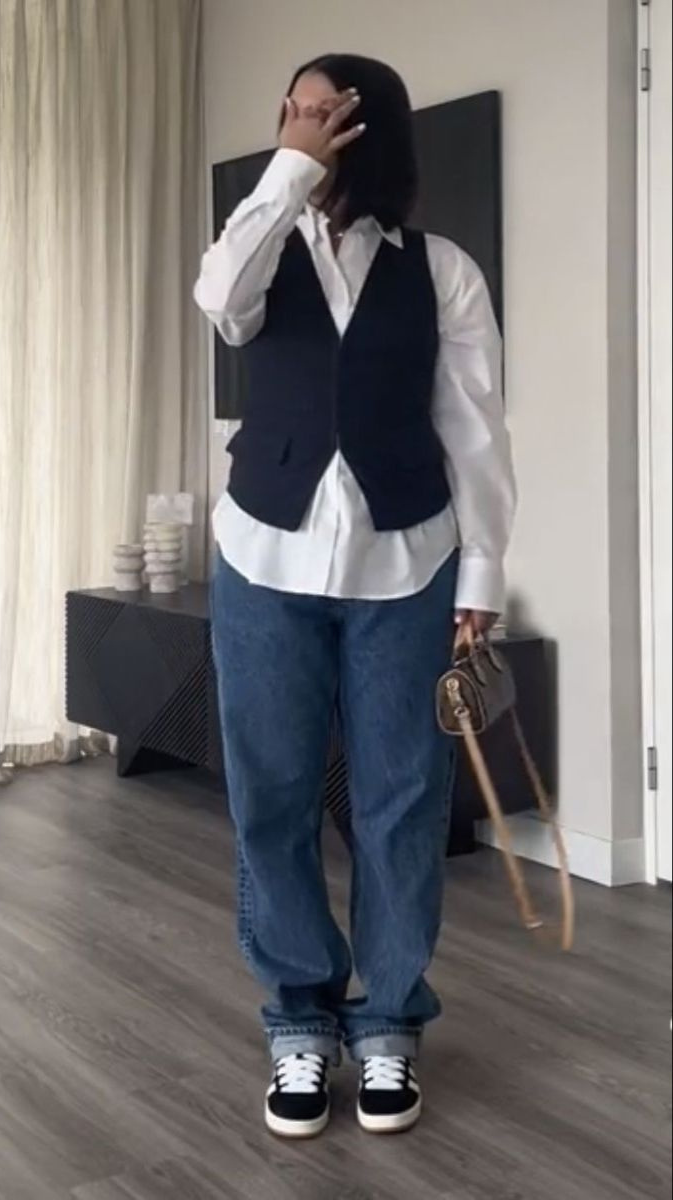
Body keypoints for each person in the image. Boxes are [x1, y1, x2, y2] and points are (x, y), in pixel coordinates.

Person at [194, 53, 515, 1139]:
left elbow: (474, 431)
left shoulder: (443, 270)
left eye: (323, 111)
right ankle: (298, 1021)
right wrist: (286, 171)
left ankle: (386, 1026)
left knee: (402, 803)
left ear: (369, 126)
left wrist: (482, 573)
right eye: (291, 109)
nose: (302, 123)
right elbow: (219, 303)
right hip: (262, 559)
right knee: (272, 799)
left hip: (408, 565)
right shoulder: (259, 241)